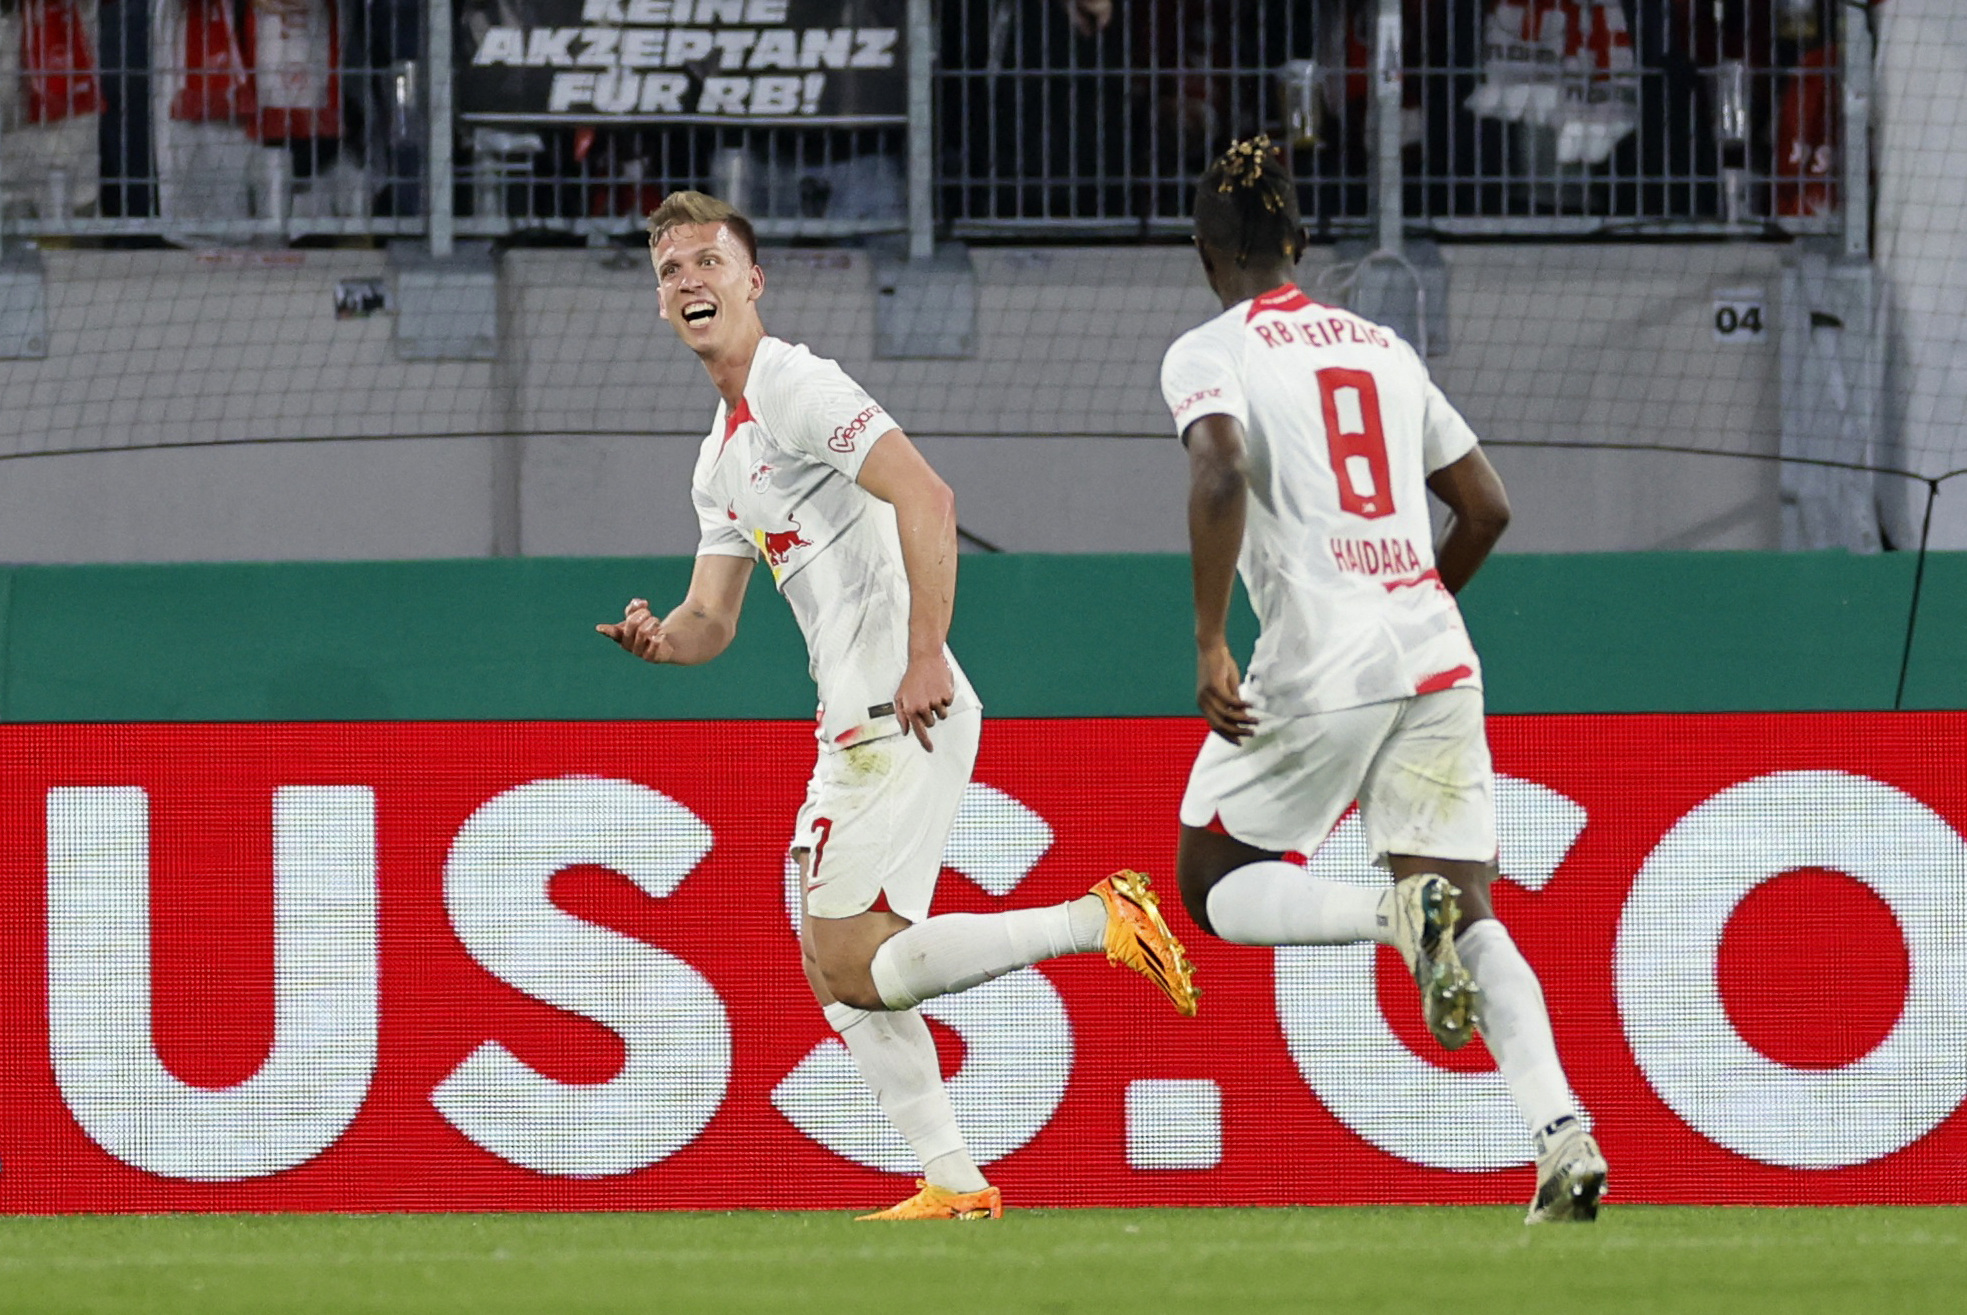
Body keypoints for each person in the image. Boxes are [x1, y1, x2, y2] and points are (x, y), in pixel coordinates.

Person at [599, 191, 1199, 1221]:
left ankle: (1096, 915)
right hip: (854, 711)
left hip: (895, 701)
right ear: (658, 306)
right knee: (831, 959)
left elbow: (928, 495)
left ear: (753, 280)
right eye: (669, 271)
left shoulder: (795, 383)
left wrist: (922, 652)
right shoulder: (720, 456)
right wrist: (665, 642)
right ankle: (953, 1179)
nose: (688, 280)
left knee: (849, 960)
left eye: (707, 260)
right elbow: (713, 618)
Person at [1159, 137, 1608, 1224]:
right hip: (1432, 650)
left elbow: (1217, 466)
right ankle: (1561, 1135)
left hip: (1322, 650)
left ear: (1204, 252)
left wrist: (1211, 639)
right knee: (1473, 909)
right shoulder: (1383, 347)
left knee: (1210, 880)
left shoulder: (1206, 349)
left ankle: (1382, 914)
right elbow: (1486, 506)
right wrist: (1419, 599)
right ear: (1298, 243)